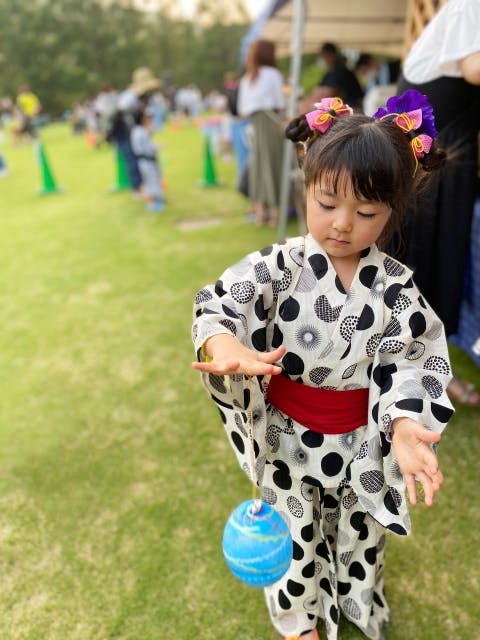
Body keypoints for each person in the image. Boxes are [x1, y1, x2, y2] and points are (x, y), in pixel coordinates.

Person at [191, 91, 454, 640]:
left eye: (366, 213)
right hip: (288, 436)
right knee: (295, 533)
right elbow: (218, 304)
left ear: (391, 212)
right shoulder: (279, 266)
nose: (342, 224)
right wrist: (224, 343)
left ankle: (358, 602)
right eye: (327, 202)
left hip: (362, 438)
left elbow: (412, 358)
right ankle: (297, 620)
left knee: (360, 534)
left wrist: (406, 424)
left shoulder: (395, 287)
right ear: (307, 185)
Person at [391, 0, 480, 406]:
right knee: (418, 264)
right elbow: (474, 68)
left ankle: (432, 370)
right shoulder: (469, 4)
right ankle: (411, 374)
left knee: (444, 262)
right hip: (427, 150)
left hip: (450, 151)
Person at [237, 38, 286, 227]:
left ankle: (260, 212)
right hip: (270, 122)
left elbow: (242, 109)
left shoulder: (248, 78)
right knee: (273, 164)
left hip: (254, 123)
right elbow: (280, 103)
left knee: (258, 165)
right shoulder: (272, 74)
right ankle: (275, 213)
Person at [300, 43, 364, 113]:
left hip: (352, 109)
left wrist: (310, 103)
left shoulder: (339, 71)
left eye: (324, 56)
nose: (323, 59)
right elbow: (319, 90)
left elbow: (328, 93)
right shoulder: (330, 72)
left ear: (330, 55)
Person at [130, 106, 164, 212]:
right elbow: (146, 147)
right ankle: (152, 203)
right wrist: (156, 147)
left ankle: (155, 200)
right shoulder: (140, 132)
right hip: (146, 160)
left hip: (146, 160)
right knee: (150, 182)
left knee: (153, 180)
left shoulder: (138, 130)